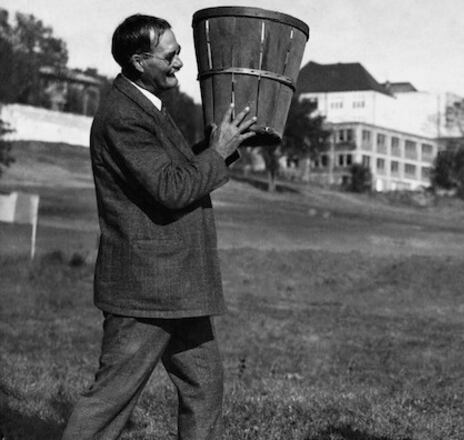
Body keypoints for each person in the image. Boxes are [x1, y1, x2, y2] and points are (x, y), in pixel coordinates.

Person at [61, 14, 257, 439]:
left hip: (176, 286)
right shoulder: (121, 117)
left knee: (205, 387)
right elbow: (170, 188)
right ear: (138, 60)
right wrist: (217, 154)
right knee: (111, 400)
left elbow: (176, 169)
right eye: (170, 56)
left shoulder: (147, 106)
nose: (180, 64)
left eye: (178, 53)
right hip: (145, 290)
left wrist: (219, 146)